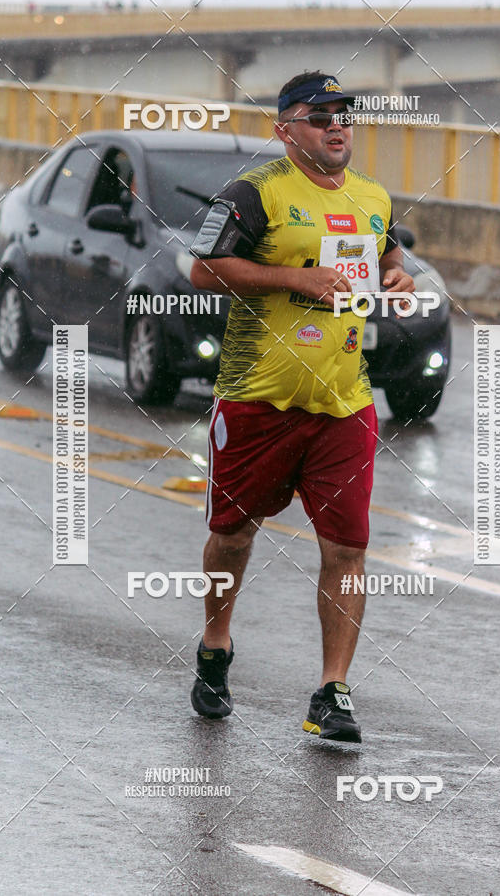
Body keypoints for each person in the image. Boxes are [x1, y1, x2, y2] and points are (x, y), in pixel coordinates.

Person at [188, 71, 414, 742]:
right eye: (320, 116)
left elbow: (393, 251)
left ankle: (331, 692)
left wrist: (401, 274)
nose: (336, 125)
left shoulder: (372, 195)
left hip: (344, 402)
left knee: (347, 549)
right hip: (258, 398)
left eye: (344, 114)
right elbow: (204, 269)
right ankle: (215, 644)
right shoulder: (253, 193)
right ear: (285, 129)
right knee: (232, 536)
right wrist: (295, 277)